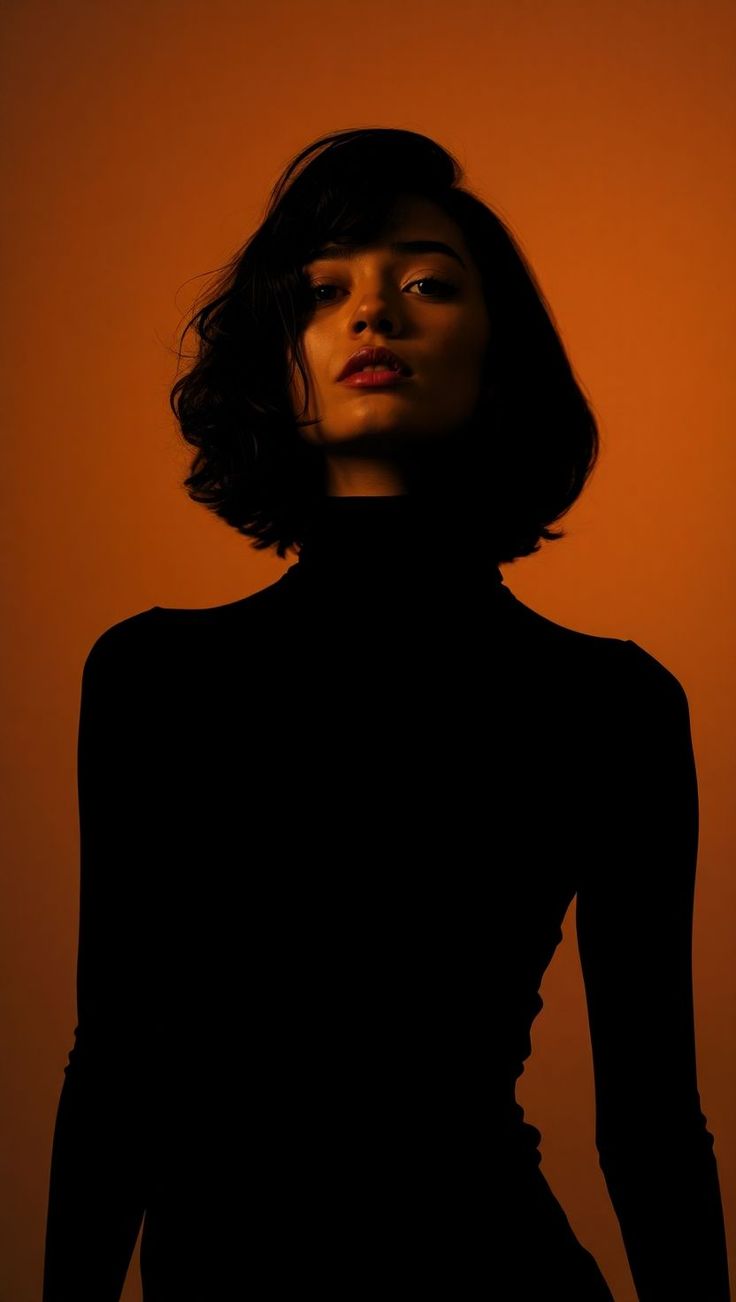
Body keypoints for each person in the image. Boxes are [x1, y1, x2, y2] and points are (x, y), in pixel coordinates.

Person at [43, 127, 731, 1300]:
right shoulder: (154, 679)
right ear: (277, 361)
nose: (374, 316)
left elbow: (653, 1113)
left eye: (425, 283)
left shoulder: (609, 705)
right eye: (324, 290)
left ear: (496, 352)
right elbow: (117, 1072)